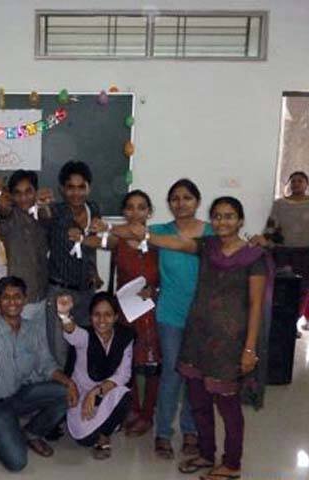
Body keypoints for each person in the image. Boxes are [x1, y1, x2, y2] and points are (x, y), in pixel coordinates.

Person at [143, 196, 269, 480]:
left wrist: (250, 348)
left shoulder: (253, 257)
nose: (222, 221)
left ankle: (232, 464)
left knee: (228, 406)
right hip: (197, 335)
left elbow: (256, 305)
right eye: (217, 216)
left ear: (240, 221)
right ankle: (206, 453)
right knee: (198, 400)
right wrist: (143, 234)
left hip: (229, 342)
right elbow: (176, 244)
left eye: (229, 216)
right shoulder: (207, 247)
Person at [0, 276, 78, 472]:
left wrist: (70, 383)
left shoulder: (33, 329)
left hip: (19, 395)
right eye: (6, 297)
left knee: (65, 393)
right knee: (17, 462)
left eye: (17, 296)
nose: (12, 301)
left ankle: (32, 433)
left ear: (25, 299)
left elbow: (47, 365)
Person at [87, 190, 161, 437]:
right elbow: (93, 242)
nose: (135, 212)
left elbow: (168, 275)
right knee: (127, 361)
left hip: (152, 310)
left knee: (152, 365)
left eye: (141, 207)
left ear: (149, 212)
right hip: (126, 311)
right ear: (123, 212)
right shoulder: (117, 240)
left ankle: (148, 414)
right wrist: (80, 235)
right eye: (130, 207)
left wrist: (155, 290)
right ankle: (133, 409)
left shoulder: (158, 240)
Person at [149, 179, 211, 459]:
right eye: (175, 198)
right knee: (172, 374)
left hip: (203, 316)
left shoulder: (212, 232)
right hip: (170, 313)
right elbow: (131, 235)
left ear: (197, 201)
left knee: (195, 375)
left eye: (187, 197)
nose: (180, 203)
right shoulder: (160, 231)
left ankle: (190, 430)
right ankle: (163, 433)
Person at [57, 292, 135, 460]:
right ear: (90, 317)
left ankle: (104, 435)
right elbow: (72, 332)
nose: (101, 320)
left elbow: (124, 374)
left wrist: (96, 391)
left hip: (103, 392)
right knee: (84, 439)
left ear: (116, 317)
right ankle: (101, 428)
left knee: (124, 395)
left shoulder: (125, 337)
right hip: (80, 395)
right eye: (96, 315)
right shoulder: (85, 336)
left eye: (108, 315)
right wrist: (64, 316)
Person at [255, 171, 309, 331]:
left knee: (303, 292)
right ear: (289, 184)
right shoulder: (280, 204)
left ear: (306, 184)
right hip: (283, 255)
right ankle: (279, 327)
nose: (296, 184)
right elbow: (271, 227)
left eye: (300, 181)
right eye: (293, 181)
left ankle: (293, 323)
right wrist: (264, 243)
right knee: (281, 291)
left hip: (307, 255)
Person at [43, 161, 102, 368]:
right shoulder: (55, 212)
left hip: (86, 291)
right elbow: (42, 216)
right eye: (71, 187)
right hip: (60, 291)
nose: (76, 193)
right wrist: (41, 206)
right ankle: (61, 387)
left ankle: (79, 387)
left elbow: (93, 245)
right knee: (59, 352)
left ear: (89, 188)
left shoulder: (94, 210)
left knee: (83, 348)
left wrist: (94, 271)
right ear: (62, 189)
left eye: (81, 187)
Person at [0, 170, 53, 324]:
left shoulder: (41, 213)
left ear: (36, 192)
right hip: (20, 298)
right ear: (12, 196)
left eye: (28, 192)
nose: (23, 198)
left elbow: (47, 219)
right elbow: (3, 211)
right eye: (18, 193)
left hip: (44, 294)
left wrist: (44, 205)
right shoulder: (10, 215)